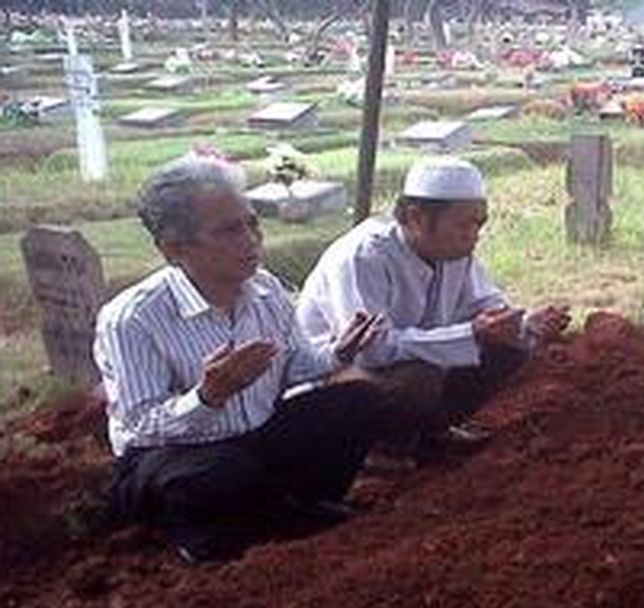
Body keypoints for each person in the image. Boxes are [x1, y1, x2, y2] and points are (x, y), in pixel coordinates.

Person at [95, 156, 385, 564]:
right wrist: (208, 396)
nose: (251, 240)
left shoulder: (265, 290)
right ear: (175, 248)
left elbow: (295, 366)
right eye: (230, 230)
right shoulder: (133, 318)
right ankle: (209, 534)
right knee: (219, 473)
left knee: (359, 401)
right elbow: (141, 423)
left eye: (252, 224)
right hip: (175, 456)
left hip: (255, 436)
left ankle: (289, 509)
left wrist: (339, 353)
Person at [296, 156, 569, 459]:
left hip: (413, 363)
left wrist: (524, 324)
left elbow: (489, 307)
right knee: (418, 378)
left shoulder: (455, 253)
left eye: (479, 223)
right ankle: (377, 449)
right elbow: (369, 351)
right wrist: (470, 334)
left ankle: (430, 431)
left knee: (507, 347)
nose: (474, 233)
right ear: (417, 218)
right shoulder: (364, 256)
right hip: (334, 375)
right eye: (465, 224)